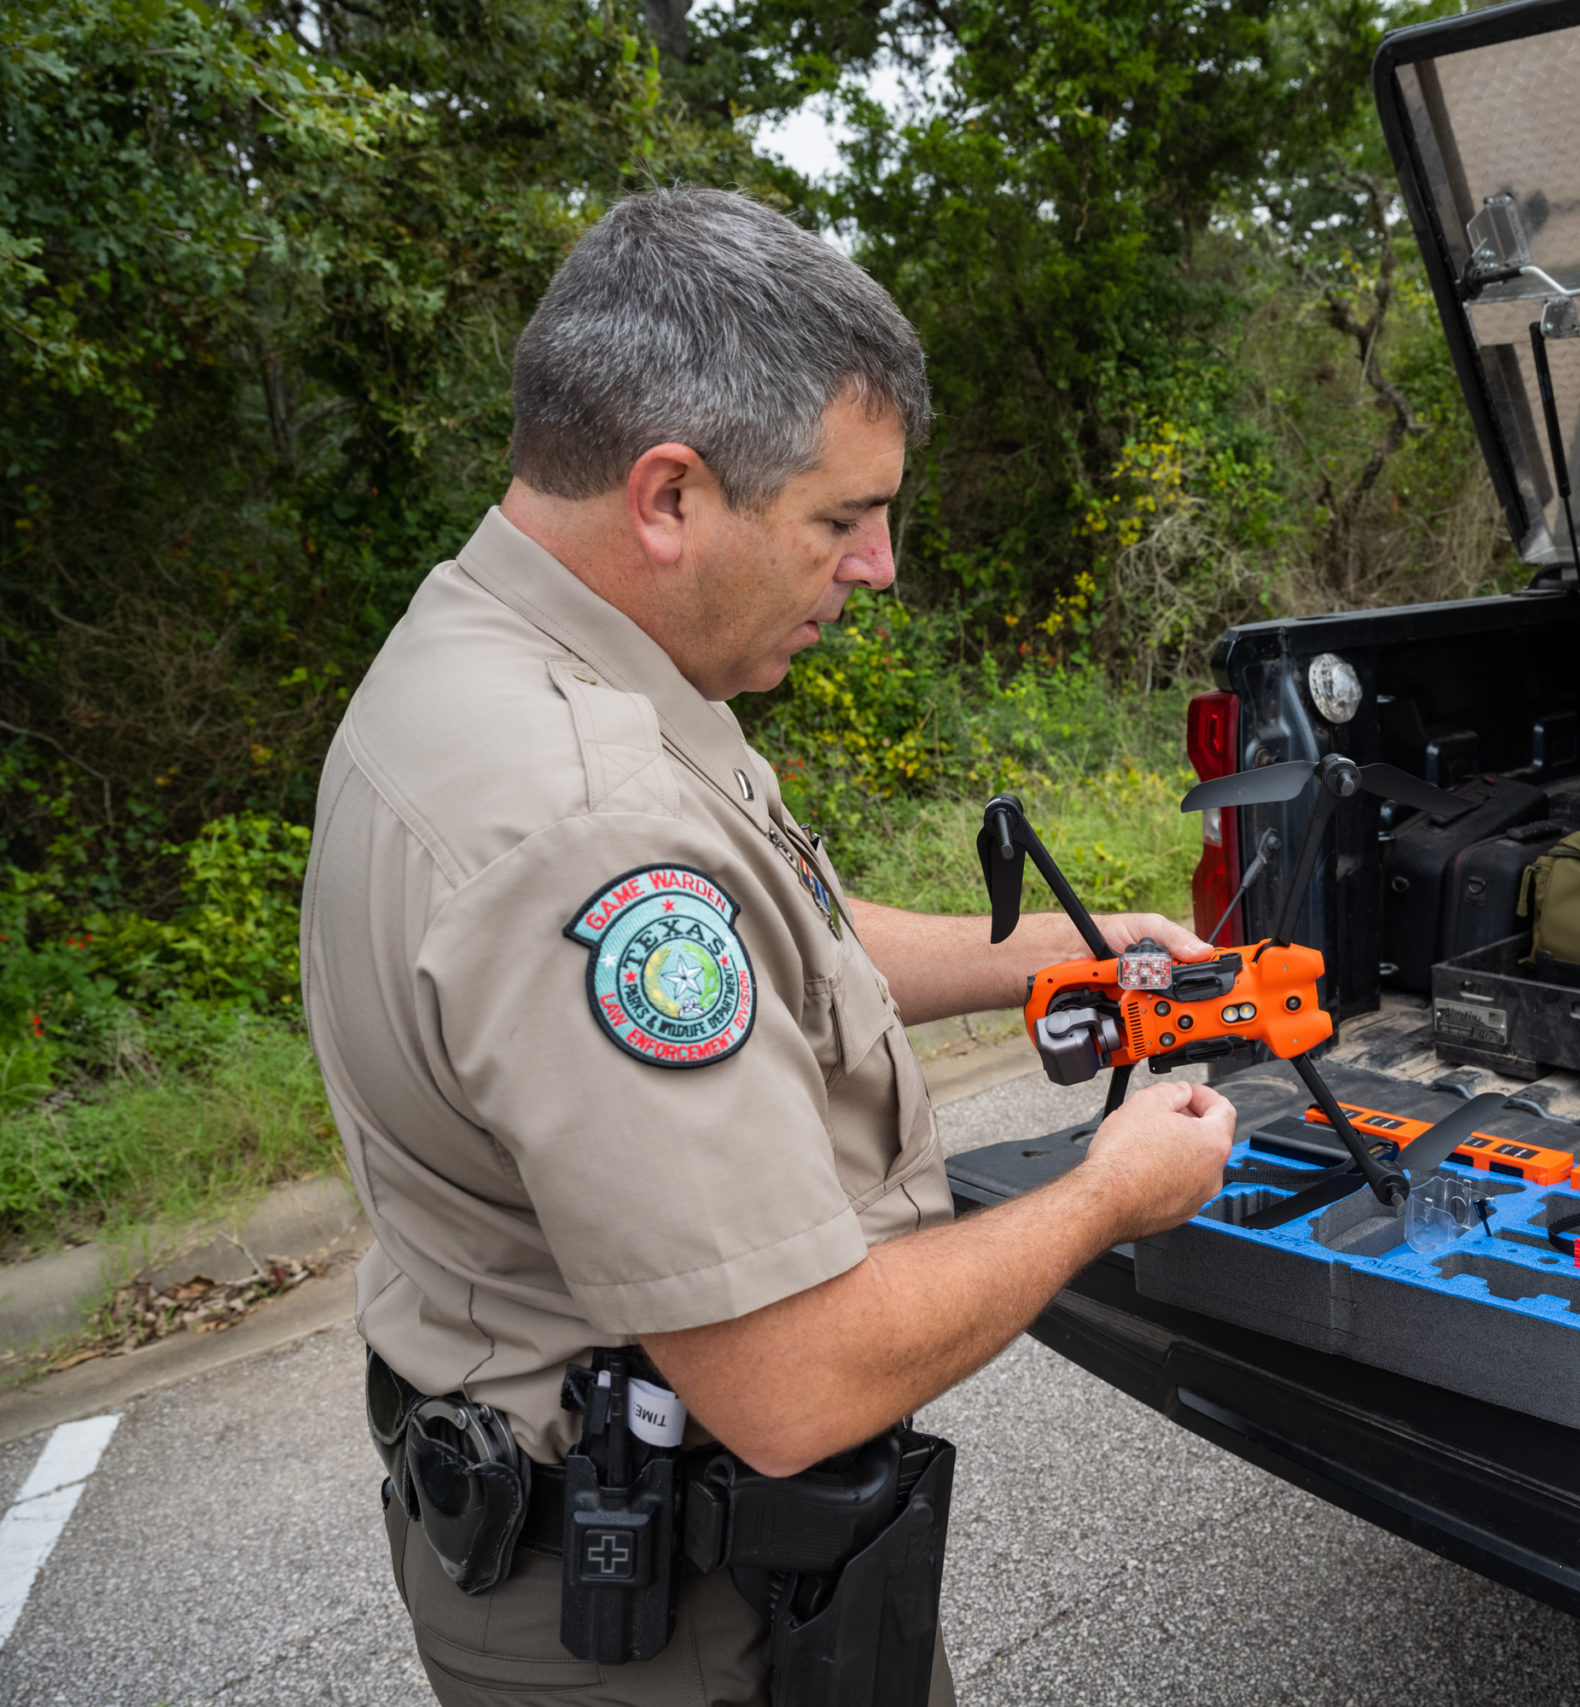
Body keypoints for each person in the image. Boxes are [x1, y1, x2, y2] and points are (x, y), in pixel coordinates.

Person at [299, 185, 1240, 1706]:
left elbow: (780, 935)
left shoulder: (511, 650)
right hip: (673, 1630)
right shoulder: (586, 819)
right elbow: (795, 1382)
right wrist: (1110, 1194)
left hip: (597, 1543)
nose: (878, 568)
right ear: (669, 496)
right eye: (842, 518)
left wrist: (1058, 960)